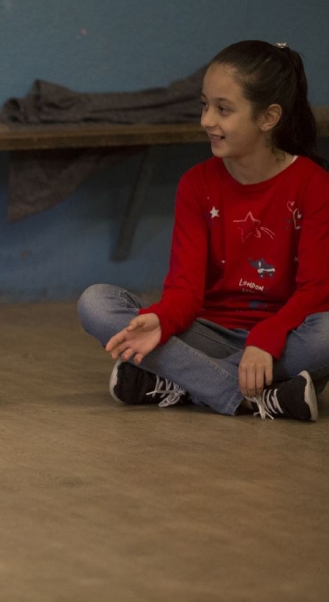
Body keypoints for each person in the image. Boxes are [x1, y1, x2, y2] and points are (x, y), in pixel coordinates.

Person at [78, 40, 329, 421]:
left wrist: (266, 337)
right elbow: (185, 289)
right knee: (96, 303)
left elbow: (317, 289)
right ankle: (256, 394)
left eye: (223, 109)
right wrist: (162, 319)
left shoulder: (313, 184)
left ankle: (180, 383)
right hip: (207, 334)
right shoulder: (196, 184)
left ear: (268, 117)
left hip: (285, 340)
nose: (207, 120)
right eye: (205, 105)